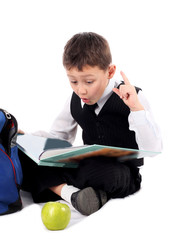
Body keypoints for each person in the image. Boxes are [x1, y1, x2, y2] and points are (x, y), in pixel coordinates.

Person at [19, 32, 162, 216]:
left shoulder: (133, 97)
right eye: (73, 81)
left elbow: (154, 148)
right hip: (86, 165)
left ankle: (60, 188)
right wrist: (28, 140)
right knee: (24, 157)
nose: (81, 89)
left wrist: (136, 109)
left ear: (109, 72)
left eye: (89, 81)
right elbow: (59, 138)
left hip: (120, 171)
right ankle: (72, 194)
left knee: (109, 175)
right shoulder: (75, 99)